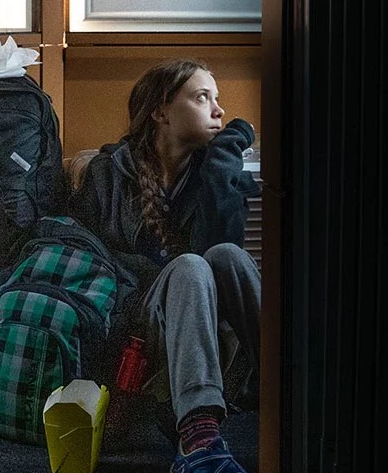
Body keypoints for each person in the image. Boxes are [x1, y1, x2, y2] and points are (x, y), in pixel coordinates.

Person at [68, 58, 261, 473]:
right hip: (137, 330)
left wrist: (223, 160)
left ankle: (307, 395)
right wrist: (160, 275)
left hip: (209, 331)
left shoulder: (213, 172)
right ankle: (198, 438)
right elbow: (87, 261)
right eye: (201, 97)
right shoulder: (109, 174)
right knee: (190, 267)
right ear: (160, 112)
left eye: (217, 98)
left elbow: (219, 250)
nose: (219, 111)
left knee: (227, 257)